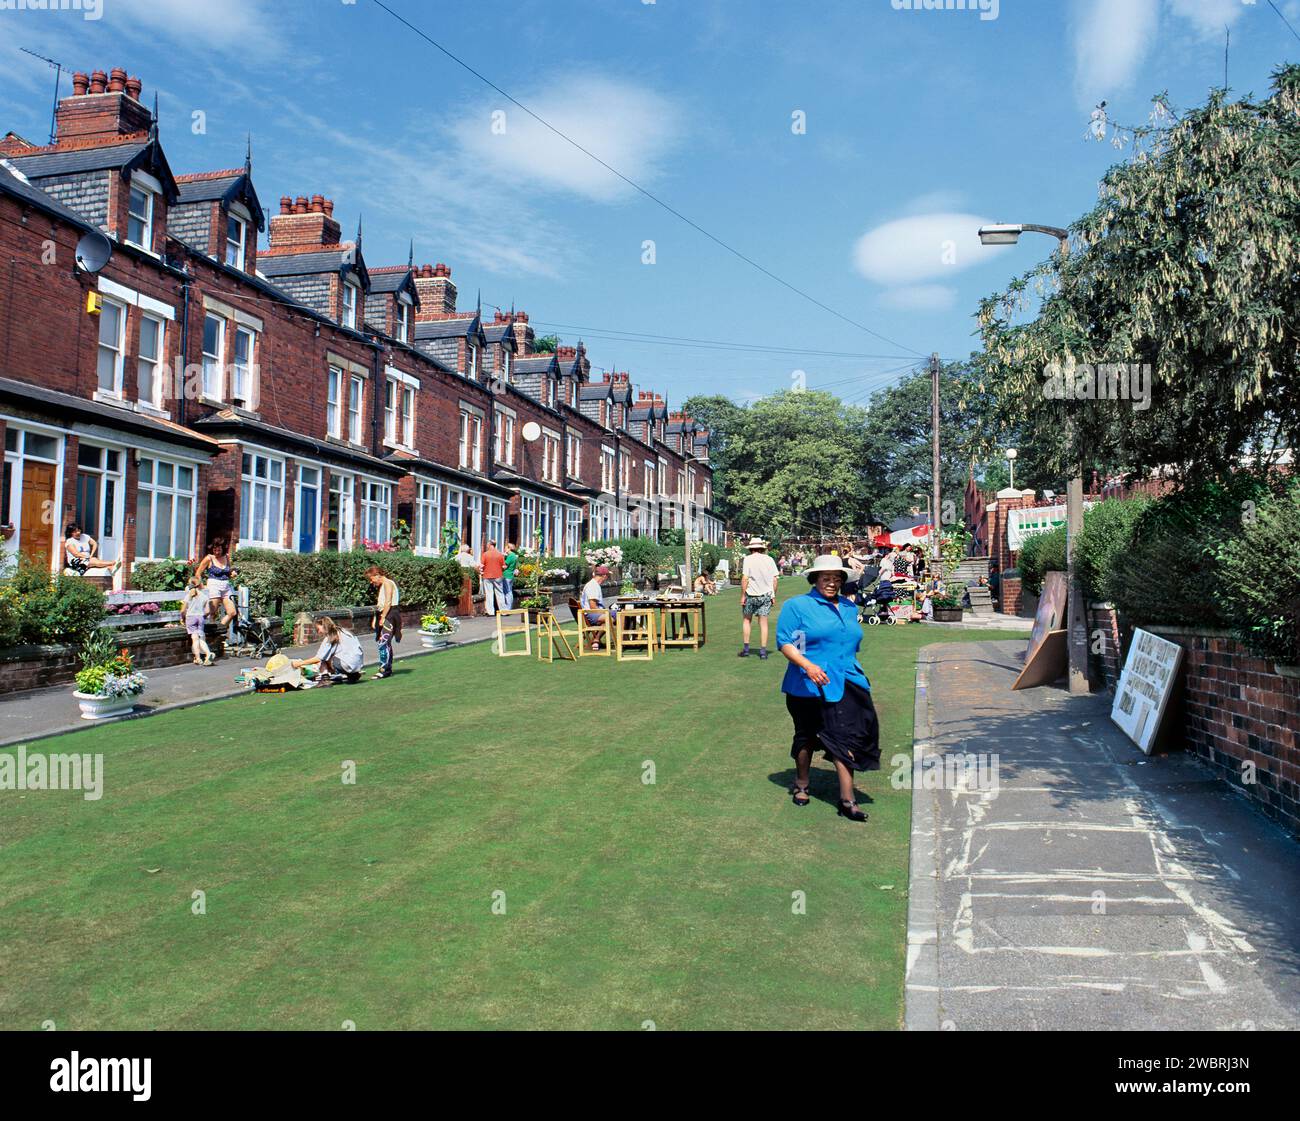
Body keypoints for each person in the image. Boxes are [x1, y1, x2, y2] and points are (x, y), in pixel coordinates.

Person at [777, 555, 880, 822]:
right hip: (806, 685)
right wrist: (808, 666)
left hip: (846, 681)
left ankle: (848, 801)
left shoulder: (848, 607)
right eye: (826, 578)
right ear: (815, 579)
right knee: (807, 736)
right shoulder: (797, 606)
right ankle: (801, 784)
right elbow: (786, 643)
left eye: (837, 578)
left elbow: (850, 643)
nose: (832, 583)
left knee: (845, 738)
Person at [291, 616, 364, 685]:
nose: (318, 632)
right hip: (358, 664)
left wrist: (300, 663)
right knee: (333, 655)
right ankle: (353, 675)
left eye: (318, 629)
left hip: (347, 664)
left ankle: (325, 679)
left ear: (324, 626)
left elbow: (319, 658)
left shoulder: (331, 637)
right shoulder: (345, 631)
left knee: (323, 658)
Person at [739, 536, 779, 659]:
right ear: (761, 548)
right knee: (763, 623)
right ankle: (762, 651)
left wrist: (742, 595)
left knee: (747, 620)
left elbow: (745, 578)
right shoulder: (769, 559)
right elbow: (775, 579)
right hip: (766, 595)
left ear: (751, 548)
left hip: (751, 594)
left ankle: (746, 649)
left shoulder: (748, 559)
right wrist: (773, 595)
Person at [195, 537, 237, 636]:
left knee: (232, 613)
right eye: (214, 549)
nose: (216, 552)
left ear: (223, 549)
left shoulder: (226, 557)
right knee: (212, 612)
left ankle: (217, 633)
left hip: (226, 586)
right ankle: (199, 631)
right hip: (214, 585)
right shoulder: (209, 558)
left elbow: (228, 572)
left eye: (218, 550)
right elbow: (198, 573)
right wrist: (201, 586)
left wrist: (233, 574)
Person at [367, 565, 402, 680]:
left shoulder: (387, 583)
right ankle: (387, 668)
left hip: (390, 614)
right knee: (385, 643)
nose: (371, 582)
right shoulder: (383, 585)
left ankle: (384, 669)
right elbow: (381, 604)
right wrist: (376, 618)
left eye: (371, 579)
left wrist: (382, 617)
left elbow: (388, 602)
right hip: (387, 614)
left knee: (383, 643)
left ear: (377, 575)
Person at [180, 574, 215, 666]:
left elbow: (183, 610)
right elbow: (207, 611)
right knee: (200, 638)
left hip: (190, 617)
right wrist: (202, 617)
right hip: (200, 617)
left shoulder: (188, 596)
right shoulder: (204, 596)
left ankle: (198, 658)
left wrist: (182, 618)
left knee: (194, 639)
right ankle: (208, 654)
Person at [581, 563, 611, 649]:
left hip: (591, 613)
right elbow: (593, 606)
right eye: (607, 575)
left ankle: (596, 640)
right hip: (591, 614)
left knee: (613, 615)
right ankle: (596, 639)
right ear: (604, 576)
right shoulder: (592, 586)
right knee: (616, 615)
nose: (607, 578)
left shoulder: (594, 585)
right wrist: (606, 612)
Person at [480, 540, 506, 615]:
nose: (487, 546)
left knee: (489, 594)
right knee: (500, 593)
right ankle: (503, 611)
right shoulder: (500, 554)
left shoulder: (485, 554)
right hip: (498, 575)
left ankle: (490, 612)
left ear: (490, 544)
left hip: (487, 576)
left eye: (487, 544)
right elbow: (503, 566)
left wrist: (480, 571)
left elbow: (482, 566)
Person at [502, 541, 519, 610]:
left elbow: (505, 566)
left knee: (507, 592)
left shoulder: (510, 556)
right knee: (509, 591)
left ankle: (507, 608)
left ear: (509, 548)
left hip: (507, 575)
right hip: (511, 575)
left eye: (505, 548)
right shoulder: (514, 556)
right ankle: (509, 607)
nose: (504, 549)